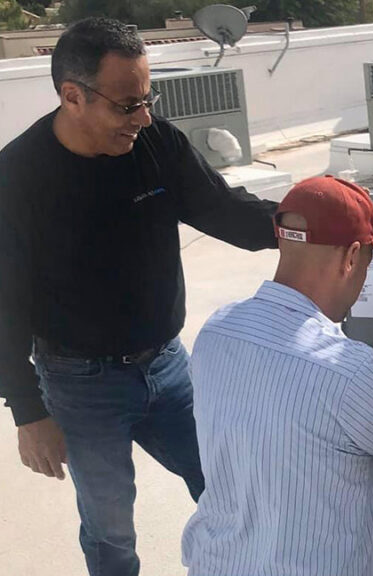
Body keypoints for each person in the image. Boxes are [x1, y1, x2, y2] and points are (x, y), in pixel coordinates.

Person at [0, 17, 279, 576]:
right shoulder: (18, 177)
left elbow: (223, 211)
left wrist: (305, 223)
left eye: (148, 99)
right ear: (71, 95)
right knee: (110, 531)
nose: (144, 117)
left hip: (169, 366)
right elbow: (5, 305)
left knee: (232, 489)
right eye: (127, 105)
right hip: (81, 386)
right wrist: (29, 412)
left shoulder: (156, 144)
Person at [181, 175, 373, 576]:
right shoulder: (352, 377)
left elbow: (300, 402)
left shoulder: (218, 331)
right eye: (368, 263)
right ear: (351, 256)